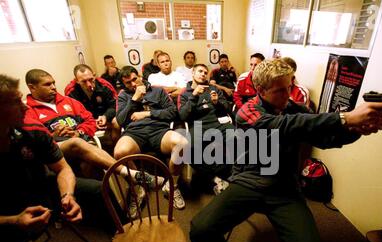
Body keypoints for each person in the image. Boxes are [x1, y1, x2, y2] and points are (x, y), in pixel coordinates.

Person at [190, 59, 382, 242]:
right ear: (261, 91)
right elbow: (280, 126)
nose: (288, 93)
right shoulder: (247, 111)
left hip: (284, 187)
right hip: (250, 181)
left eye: (290, 85)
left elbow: (325, 138)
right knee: (200, 230)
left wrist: (357, 130)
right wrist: (346, 118)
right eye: (280, 90)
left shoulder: (294, 108)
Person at [0, 74, 112, 242]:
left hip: (39, 186)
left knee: (97, 189)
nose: (24, 107)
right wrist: (13, 220)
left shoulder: (29, 129)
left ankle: (121, 234)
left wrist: (67, 195)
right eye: (15, 101)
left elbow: (62, 169)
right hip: (5, 210)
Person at [24, 69, 154, 187]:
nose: (53, 87)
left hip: (83, 141)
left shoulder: (69, 102)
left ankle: (116, 197)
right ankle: (129, 173)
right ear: (32, 88)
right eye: (47, 85)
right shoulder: (27, 111)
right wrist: (53, 136)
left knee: (89, 165)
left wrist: (79, 131)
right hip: (56, 149)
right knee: (76, 144)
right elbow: (33, 141)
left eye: (53, 83)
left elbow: (90, 120)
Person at [115, 66, 188, 210]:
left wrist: (148, 114)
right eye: (128, 83)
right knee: (119, 153)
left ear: (140, 76)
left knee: (182, 143)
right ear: (124, 84)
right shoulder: (123, 96)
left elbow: (172, 112)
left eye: (134, 79)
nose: (133, 84)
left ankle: (172, 185)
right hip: (135, 132)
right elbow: (121, 120)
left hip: (158, 130)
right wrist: (134, 100)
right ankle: (139, 187)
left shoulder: (158, 91)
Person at [178, 63, 233, 194]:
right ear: (193, 72)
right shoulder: (185, 93)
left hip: (217, 123)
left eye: (205, 72)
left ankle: (233, 174)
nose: (203, 74)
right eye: (200, 71)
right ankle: (215, 178)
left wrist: (217, 102)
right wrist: (194, 96)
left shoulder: (213, 88)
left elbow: (228, 108)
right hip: (197, 126)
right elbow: (183, 115)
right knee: (188, 151)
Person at [65, 64, 121, 144]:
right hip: (86, 122)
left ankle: (114, 147)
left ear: (94, 75)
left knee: (116, 122)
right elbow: (72, 115)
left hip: (105, 118)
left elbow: (115, 105)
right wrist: (91, 123)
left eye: (91, 79)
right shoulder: (71, 92)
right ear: (76, 80)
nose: (89, 84)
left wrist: (105, 116)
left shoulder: (105, 85)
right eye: (84, 81)